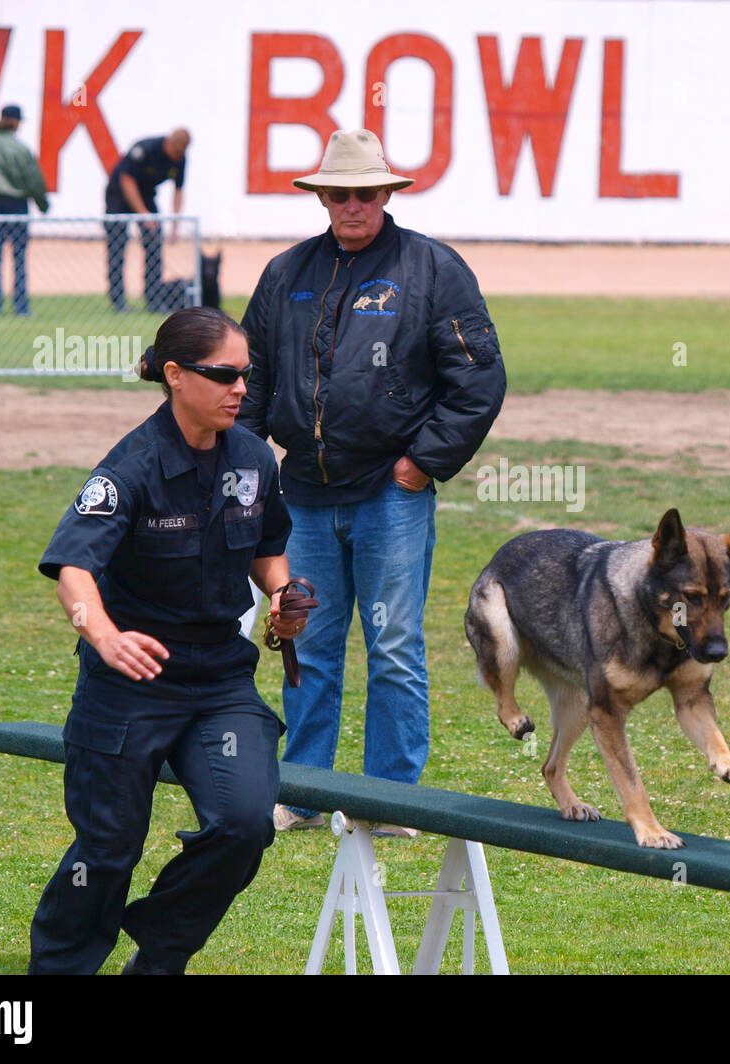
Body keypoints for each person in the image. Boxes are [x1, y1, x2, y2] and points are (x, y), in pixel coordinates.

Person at [238, 129, 506, 832]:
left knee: (392, 646)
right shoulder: (283, 274)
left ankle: (392, 801)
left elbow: (478, 380)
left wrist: (424, 464)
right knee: (308, 644)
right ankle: (300, 793)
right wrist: (245, 467)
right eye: (339, 193)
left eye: (365, 192)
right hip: (304, 495)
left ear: (387, 194)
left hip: (392, 495)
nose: (352, 204)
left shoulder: (432, 269)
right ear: (321, 197)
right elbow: (253, 378)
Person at [29, 306, 308, 974]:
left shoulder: (252, 455)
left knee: (245, 823)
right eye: (224, 375)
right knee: (108, 848)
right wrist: (103, 636)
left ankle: (160, 951)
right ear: (176, 375)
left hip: (219, 681)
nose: (241, 388)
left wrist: (280, 593)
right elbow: (73, 569)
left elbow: (268, 545)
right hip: (129, 681)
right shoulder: (133, 465)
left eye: (247, 374)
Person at [0, 104, 49, 315]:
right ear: (15, 122)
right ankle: (21, 307)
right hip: (16, 206)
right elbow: (33, 180)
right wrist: (42, 204)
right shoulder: (20, 149)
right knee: (19, 258)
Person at [103, 129, 190, 312]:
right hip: (119, 196)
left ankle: (154, 300)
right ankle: (118, 301)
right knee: (117, 247)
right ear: (169, 143)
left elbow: (179, 190)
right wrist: (143, 214)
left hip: (146, 195)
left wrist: (175, 226)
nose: (177, 157)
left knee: (154, 246)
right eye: (176, 153)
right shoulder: (146, 148)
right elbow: (126, 179)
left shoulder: (180, 157)